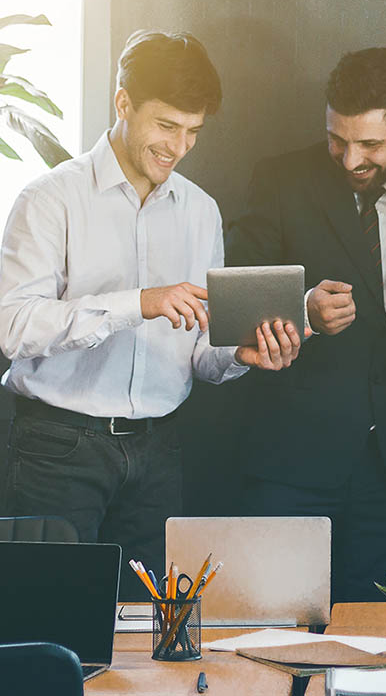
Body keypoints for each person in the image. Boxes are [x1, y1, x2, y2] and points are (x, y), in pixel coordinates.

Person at [0, 30, 300, 601]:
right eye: (166, 126)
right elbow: (12, 327)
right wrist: (138, 302)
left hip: (159, 454)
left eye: (193, 132)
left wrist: (237, 355)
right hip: (57, 450)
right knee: (47, 623)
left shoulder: (201, 211)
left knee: (151, 639)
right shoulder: (48, 200)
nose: (180, 146)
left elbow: (200, 354)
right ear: (123, 104)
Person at [225, 48, 386, 602]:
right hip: (291, 458)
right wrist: (301, 310)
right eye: (336, 139)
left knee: (381, 644)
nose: (350, 159)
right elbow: (233, 301)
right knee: (268, 630)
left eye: (371, 144)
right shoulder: (280, 180)